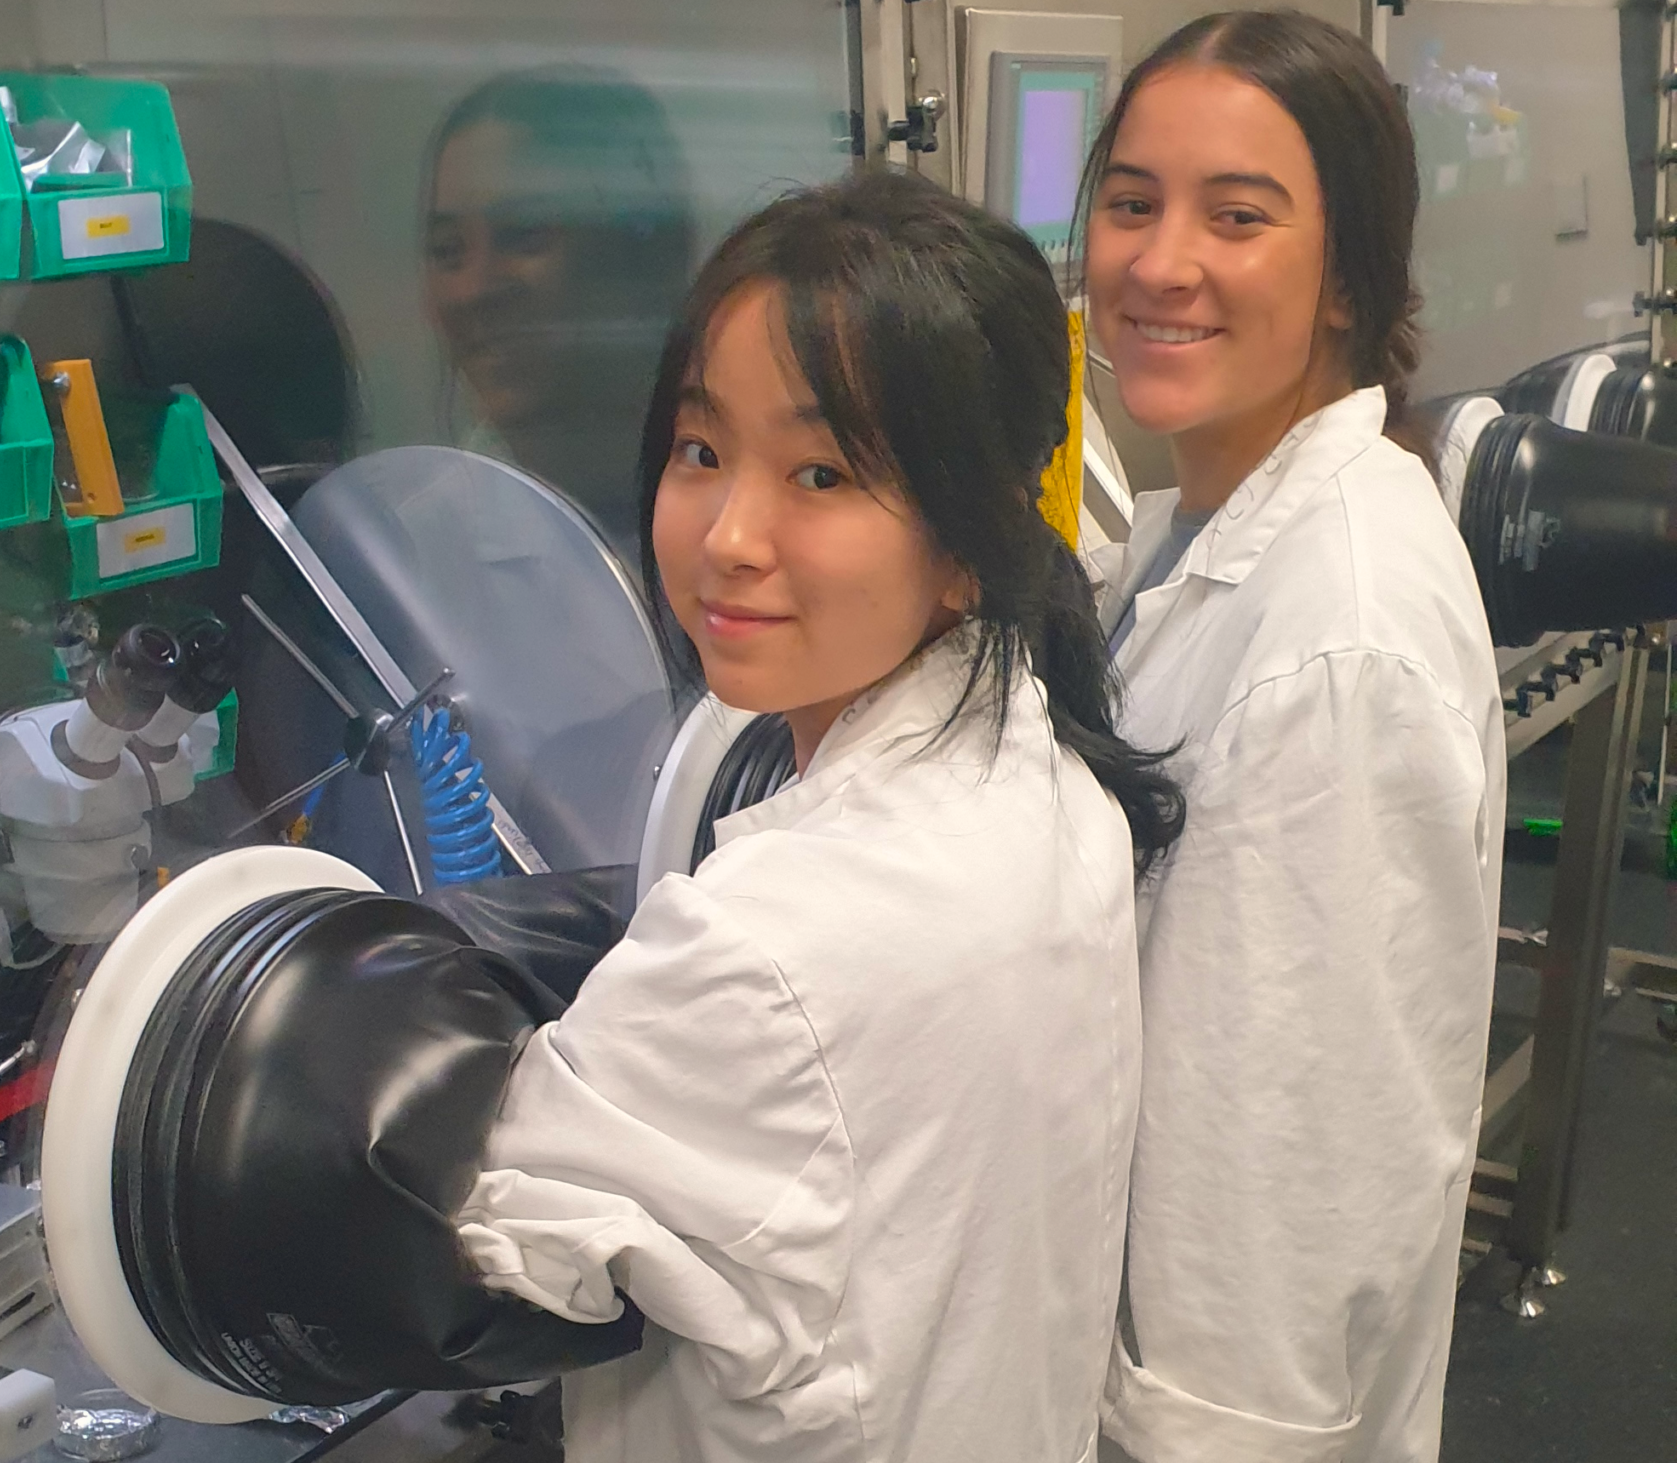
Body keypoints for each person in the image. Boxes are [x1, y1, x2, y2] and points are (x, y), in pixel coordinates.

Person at [452, 168, 1183, 1462]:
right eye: (702, 450)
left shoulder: (766, 950)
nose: (732, 534)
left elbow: (485, 1240)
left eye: (822, 470)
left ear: (965, 543)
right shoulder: (1054, 779)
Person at [1080, 13, 1505, 1463]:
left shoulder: (1338, 646)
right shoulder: (1198, 525)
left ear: (1347, 282)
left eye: (1238, 216)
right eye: (1131, 201)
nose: (1160, 262)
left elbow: (1279, 1197)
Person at [421, 66, 695, 560]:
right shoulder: (416, 551)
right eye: (448, 250)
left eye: (523, 235)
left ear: (639, 254)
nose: (474, 290)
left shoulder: (743, 517)